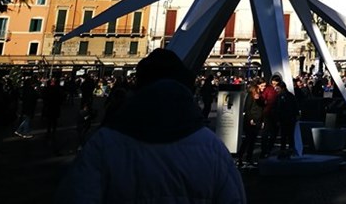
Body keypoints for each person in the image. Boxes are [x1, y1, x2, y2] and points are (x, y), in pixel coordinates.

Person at [55, 48, 245, 203]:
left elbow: (77, 194)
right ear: (185, 88)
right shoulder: (212, 147)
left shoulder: (104, 143)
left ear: (139, 87)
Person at [236, 80, 263, 167]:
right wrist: (250, 119)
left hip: (258, 120)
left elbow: (261, 108)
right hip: (250, 121)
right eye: (262, 86)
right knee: (247, 140)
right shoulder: (250, 95)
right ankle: (240, 157)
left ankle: (249, 158)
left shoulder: (261, 95)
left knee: (252, 141)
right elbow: (247, 108)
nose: (263, 88)